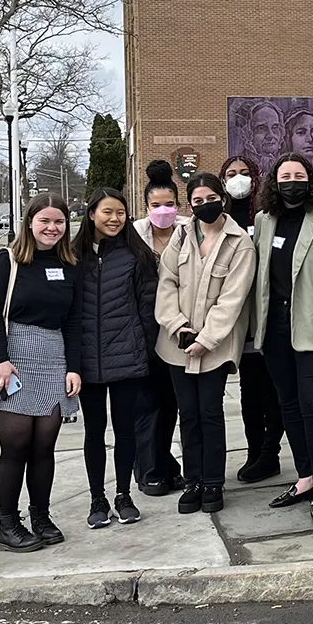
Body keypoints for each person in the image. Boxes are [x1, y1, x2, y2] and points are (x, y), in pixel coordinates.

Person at [0, 195, 83, 553]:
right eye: (45, 221)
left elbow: (73, 322)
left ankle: (40, 516)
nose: (52, 228)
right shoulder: (7, 260)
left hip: (54, 358)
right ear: (29, 222)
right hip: (14, 358)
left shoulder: (69, 264)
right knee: (16, 446)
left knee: (44, 447)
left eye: (59, 222)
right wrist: (0, 360)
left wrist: (74, 367)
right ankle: (8, 524)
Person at [253, 154, 313, 520]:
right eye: (284, 175)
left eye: (299, 174)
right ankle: (304, 476)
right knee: (287, 405)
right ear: (274, 183)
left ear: (310, 179)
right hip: (274, 330)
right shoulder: (264, 220)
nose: (292, 180)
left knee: (312, 403)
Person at [156, 173, 256, 515]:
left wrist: (207, 338)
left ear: (223, 199)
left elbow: (234, 297)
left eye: (210, 198)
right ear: (190, 205)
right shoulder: (181, 236)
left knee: (210, 413)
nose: (204, 206)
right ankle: (193, 480)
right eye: (197, 201)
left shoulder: (239, 242)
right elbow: (166, 282)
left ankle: (214, 482)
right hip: (177, 344)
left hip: (215, 346)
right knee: (189, 414)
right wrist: (177, 325)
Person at [73, 188, 158, 530]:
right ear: (91, 213)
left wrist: (145, 350)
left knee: (125, 430)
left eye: (120, 213)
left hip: (127, 359)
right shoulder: (73, 255)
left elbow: (149, 308)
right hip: (87, 363)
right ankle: (97, 498)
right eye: (107, 212)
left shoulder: (136, 255)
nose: (114, 219)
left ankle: (123, 495)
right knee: (94, 431)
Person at [222, 155, 284, 484]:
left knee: (273, 389)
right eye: (231, 174)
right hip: (237, 318)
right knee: (249, 390)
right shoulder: (218, 216)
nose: (238, 179)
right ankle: (254, 451)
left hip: (267, 314)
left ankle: (270, 453)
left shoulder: (264, 216)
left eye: (245, 173)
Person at [132, 161, 186, 496]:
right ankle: (148, 471)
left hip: (178, 331)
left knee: (171, 404)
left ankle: (167, 465)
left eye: (169, 204)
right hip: (141, 330)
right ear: (146, 207)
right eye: (156, 205)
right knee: (146, 405)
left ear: (178, 205)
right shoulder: (134, 236)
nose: (163, 211)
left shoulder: (189, 231)